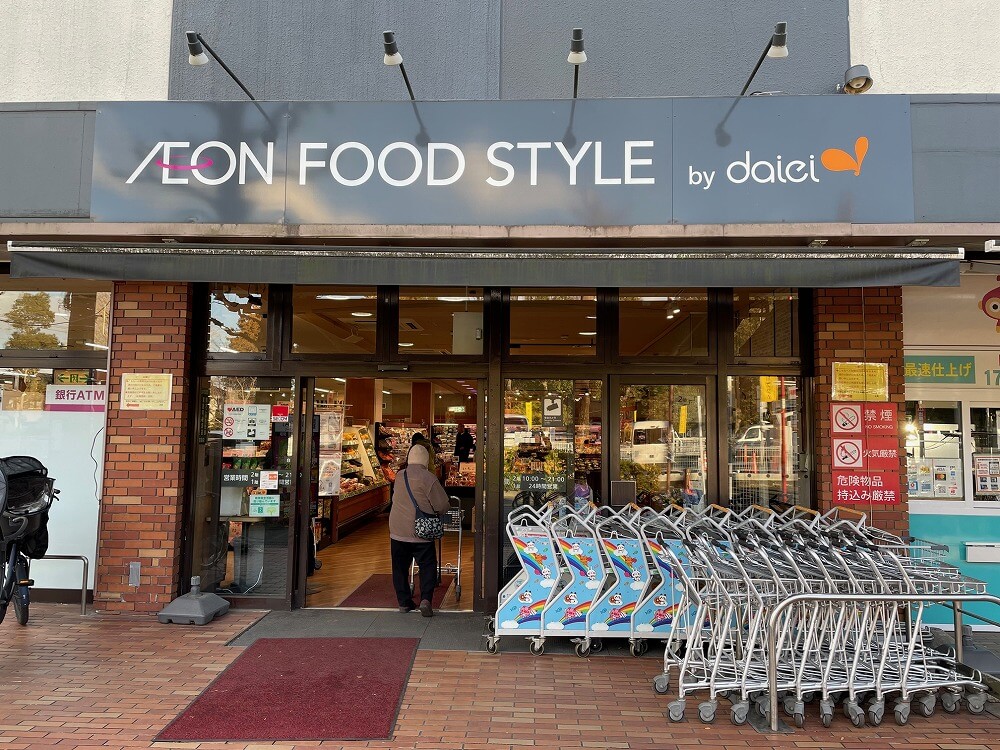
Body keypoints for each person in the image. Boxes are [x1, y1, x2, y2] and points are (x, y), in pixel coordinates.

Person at [389, 444, 452, 617]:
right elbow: (442, 505)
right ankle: (425, 600)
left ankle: (404, 602)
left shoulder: (399, 476)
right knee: (427, 565)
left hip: (397, 529)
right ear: (426, 459)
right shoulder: (428, 478)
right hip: (421, 531)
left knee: (399, 567)